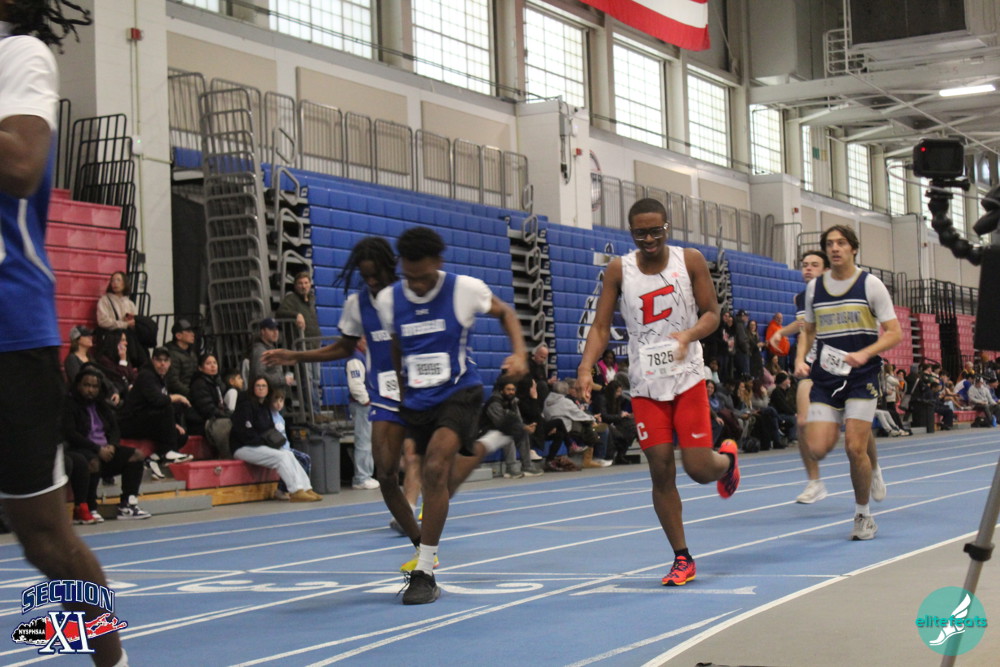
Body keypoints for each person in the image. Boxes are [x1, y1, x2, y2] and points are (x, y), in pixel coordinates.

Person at [0, 3, 128, 664]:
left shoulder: (18, 55)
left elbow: (22, 165)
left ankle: (112, 660)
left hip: (10, 335)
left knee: (44, 539)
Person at [577, 198, 740, 587]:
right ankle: (682, 557)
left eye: (655, 231)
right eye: (640, 233)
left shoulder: (690, 260)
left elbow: (712, 314)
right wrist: (585, 367)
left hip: (687, 378)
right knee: (661, 468)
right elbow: (600, 327)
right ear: (630, 232)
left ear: (667, 227)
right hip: (646, 384)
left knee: (698, 469)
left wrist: (688, 335)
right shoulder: (619, 270)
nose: (649, 239)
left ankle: (726, 462)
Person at [376, 226, 528, 605]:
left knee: (434, 468)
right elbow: (396, 346)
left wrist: (519, 354)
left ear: (438, 264)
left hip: (459, 391)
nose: (418, 285)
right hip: (417, 398)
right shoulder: (389, 299)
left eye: (425, 277)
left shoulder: (464, 289)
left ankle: (424, 571)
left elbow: (506, 312)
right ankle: (494, 437)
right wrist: (401, 391)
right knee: (427, 475)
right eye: (410, 277)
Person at [262, 237, 423, 543]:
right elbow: (343, 348)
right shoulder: (357, 304)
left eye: (376, 274)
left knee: (417, 456)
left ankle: (416, 518)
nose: (371, 281)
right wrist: (296, 355)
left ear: (389, 266)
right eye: (365, 276)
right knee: (385, 473)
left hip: (419, 388)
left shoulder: (412, 295)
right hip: (384, 394)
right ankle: (412, 526)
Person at [794, 225, 901, 541]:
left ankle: (863, 515)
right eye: (830, 243)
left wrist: (865, 353)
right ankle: (869, 461)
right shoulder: (815, 289)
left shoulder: (870, 285)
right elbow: (808, 329)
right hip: (826, 377)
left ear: (853, 248)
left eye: (841, 243)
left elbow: (894, 332)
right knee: (817, 447)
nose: (835, 248)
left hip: (861, 376)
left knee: (854, 446)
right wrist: (801, 358)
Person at [770, 249, 830, 504]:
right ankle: (815, 482)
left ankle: (872, 468)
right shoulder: (802, 297)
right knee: (803, 422)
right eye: (805, 265)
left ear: (826, 270)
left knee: (856, 433)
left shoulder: (839, 294)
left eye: (814, 265)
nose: (808, 269)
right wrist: (781, 333)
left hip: (841, 366)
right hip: (813, 365)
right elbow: (804, 326)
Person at [63, 366, 151, 520]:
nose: (90, 390)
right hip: (83, 450)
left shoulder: (102, 405)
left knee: (137, 455)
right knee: (93, 462)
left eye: (94, 386)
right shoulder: (70, 405)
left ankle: (128, 504)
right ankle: (91, 507)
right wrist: (97, 449)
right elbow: (71, 434)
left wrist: (112, 445)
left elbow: (115, 429)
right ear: (78, 385)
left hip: (106, 451)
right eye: (86, 385)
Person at [230, 376, 321, 502]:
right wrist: (265, 442)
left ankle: (306, 488)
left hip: (260, 445)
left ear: (268, 389)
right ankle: (295, 491)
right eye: (258, 386)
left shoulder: (264, 407)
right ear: (252, 388)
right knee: (281, 457)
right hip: (243, 447)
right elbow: (245, 434)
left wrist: (269, 443)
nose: (261, 388)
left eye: (264, 386)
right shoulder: (245, 406)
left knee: (288, 454)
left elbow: (269, 430)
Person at [119, 347, 193, 478]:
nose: (162, 364)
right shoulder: (146, 375)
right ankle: (168, 452)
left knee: (180, 435)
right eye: (159, 360)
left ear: (170, 363)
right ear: (153, 361)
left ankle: (153, 458)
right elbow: (158, 401)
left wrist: (172, 424)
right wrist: (178, 397)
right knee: (167, 407)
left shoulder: (162, 378)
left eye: (165, 360)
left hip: (146, 419)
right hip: (129, 422)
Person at [268, 386, 313, 500]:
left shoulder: (280, 417)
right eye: (275, 401)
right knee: (303, 459)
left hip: (286, 448)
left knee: (305, 459)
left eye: (281, 401)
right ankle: (287, 489)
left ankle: (302, 487)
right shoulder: (269, 417)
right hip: (279, 449)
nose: (279, 404)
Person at [346, 337, 379, 490]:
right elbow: (356, 385)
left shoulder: (363, 357)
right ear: (358, 341)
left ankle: (365, 475)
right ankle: (361, 478)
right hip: (361, 406)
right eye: (365, 339)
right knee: (363, 441)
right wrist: (366, 401)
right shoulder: (355, 359)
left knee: (367, 441)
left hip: (365, 405)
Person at [96, 271, 147, 369]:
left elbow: (135, 322)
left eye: (118, 280)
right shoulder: (104, 301)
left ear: (125, 282)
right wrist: (125, 324)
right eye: (112, 280)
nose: (115, 283)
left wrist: (133, 323)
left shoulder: (130, 303)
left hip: (129, 341)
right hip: (112, 340)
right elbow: (102, 321)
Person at [189, 353, 233, 456]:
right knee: (225, 425)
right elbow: (208, 409)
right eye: (208, 363)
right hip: (202, 422)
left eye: (215, 363)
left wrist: (231, 414)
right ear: (200, 368)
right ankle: (226, 456)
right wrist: (226, 415)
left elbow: (222, 405)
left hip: (215, 417)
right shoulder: (199, 383)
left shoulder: (217, 382)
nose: (213, 366)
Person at [249, 317, 288, 390]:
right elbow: (259, 375)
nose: (276, 332)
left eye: (277, 329)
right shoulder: (260, 350)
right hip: (266, 393)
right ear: (262, 331)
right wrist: (282, 380)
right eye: (271, 329)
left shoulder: (270, 347)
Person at [164, 318, 197, 398]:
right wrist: (192, 394)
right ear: (178, 335)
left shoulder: (192, 353)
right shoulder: (171, 354)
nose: (193, 334)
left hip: (191, 392)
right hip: (179, 396)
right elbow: (173, 382)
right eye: (188, 331)